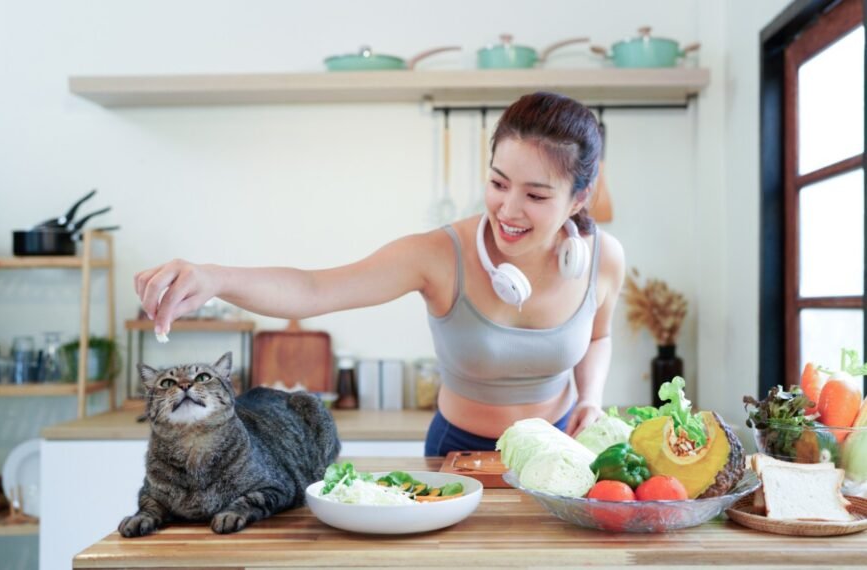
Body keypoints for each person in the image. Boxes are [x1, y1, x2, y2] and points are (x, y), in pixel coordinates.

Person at [134, 91, 625, 457]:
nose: (508, 209)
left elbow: (598, 336)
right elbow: (313, 290)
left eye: (536, 195)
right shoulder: (439, 255)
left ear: (578, 198)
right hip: (458, 452)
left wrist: (591, 397)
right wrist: (215, 277)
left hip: (561, 452)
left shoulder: (603, 259)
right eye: (498, 183)